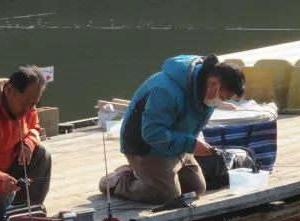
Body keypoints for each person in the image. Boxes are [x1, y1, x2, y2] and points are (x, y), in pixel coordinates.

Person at [99, 54, 245, 204]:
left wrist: (194, 143)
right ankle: (117, 181)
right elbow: (152, 133)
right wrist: (190, 144)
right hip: (145, 147)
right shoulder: (165, 90)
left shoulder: (207, 93)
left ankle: (141, 173)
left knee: (196, 189)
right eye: (224, 97)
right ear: (214, 83)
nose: (222, 101)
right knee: (168, 196)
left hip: (175, 146)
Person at [0, 66, 52, 221]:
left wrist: (28, 143)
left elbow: (34, 126)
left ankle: (28, 211)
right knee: (5, 194)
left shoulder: (25, 100)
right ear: (9, 91)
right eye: (25, 102)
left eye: (33, 103)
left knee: (41, 154)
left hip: (2, 169)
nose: (27, 109)